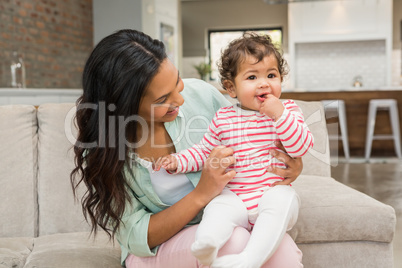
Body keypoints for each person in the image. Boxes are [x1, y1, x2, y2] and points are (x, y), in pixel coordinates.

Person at [70, 29, 304, 268]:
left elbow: (255, 137)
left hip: (223, 222)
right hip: (157, 249)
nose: (180, 100)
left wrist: (293, 162)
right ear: (125, 107)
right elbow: (136, 236)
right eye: (163, 99)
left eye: (177, 82)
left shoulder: (201, 95)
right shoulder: (104, 152)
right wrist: (202, 193)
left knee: (283, 249)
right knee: (236, 241)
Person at [155, 32, 314, 268]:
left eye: (271, 75)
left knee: (285, 200)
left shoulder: (288, 110)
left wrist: (279, 115)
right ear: (231, 88)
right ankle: (207, 245)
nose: (264, 83)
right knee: (218, 208)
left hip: (271, 192)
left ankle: (248, 260)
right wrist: (177, 161)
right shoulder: (224, 118)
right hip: (236, 196)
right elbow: (204, 152)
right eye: (252, 77)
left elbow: (301, 145)